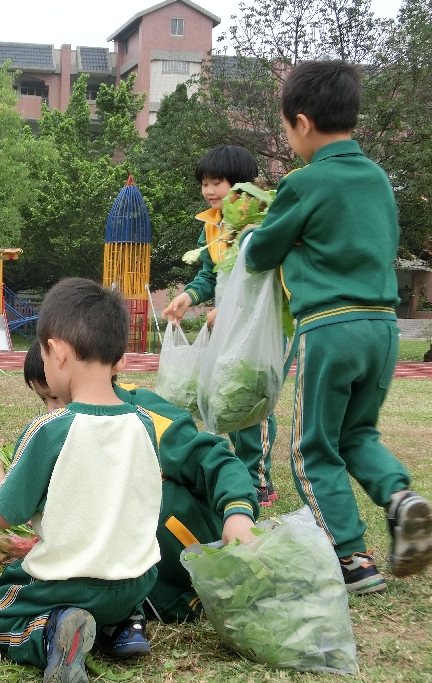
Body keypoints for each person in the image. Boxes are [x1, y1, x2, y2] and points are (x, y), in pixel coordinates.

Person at [243, 60, 432, 592]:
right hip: (383, 327)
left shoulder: (305, 183)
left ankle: (351, 558)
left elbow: (261, 254)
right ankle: (400, 498)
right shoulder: (377, 179)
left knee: (312, 448)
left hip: (329, 327)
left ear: (300, 123)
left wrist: (254, 238)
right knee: (358, 433)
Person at [0, 279, 164, 681]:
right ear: (121, 360)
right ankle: (125, 627)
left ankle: (53, 632)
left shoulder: (51, 428)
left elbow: (3, 515)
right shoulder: (145, 424)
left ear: (55, 353)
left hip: (70, 585)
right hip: (136, 584)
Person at [22, 345, 259, 625]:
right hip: (123, 588)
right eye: (44, 400)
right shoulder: (61, 434)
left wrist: (238, 513)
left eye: (56, 397)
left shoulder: (144, 417)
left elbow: (217, 461)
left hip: (190, 568)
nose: (51, 410)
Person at [161, 145, 280, 506]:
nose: (209, 191)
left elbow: (258, 279)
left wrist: (228, 312)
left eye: (217, 183)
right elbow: (209, 274)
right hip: (227, 324)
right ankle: (237, 471)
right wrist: (189, 298)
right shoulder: (212, 224)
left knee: (251, 394)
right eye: (204, 183)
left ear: (241, 185)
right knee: (227, 394)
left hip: (256, 325)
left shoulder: (258, 219)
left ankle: (258, 479)